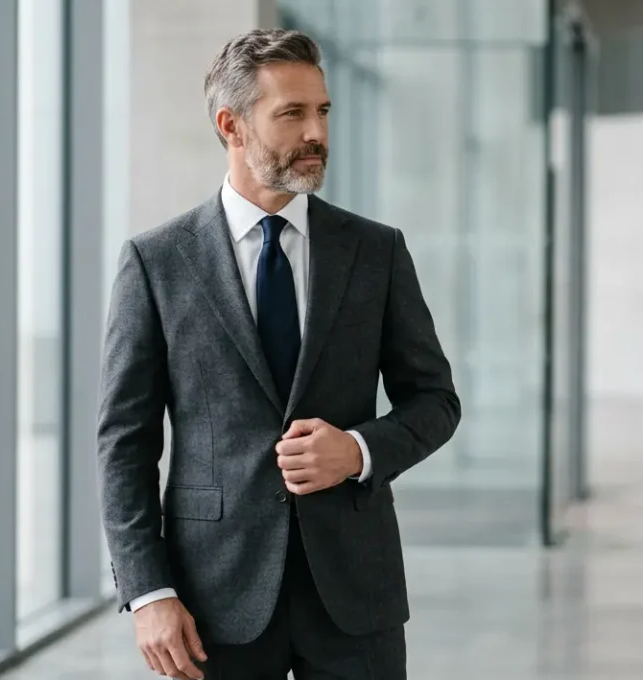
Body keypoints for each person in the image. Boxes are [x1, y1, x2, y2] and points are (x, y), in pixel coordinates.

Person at [97, 28, 460, 680]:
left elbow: (435, 400)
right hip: (213, 598)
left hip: (355, 593)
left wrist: (358, 450)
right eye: (291, 113)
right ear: (231, 125)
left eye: (322, 110)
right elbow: (125, 442)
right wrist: (149, 592)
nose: (315, 130)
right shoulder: (157, 262)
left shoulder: (375, 252)